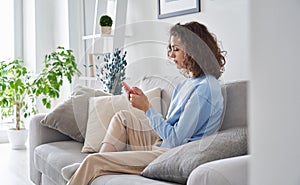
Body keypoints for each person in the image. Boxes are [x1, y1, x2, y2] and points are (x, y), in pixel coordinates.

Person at [66, 21, 226, 185]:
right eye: (170, 48)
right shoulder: (186, 83)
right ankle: (98, 162)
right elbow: (170, 126)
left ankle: (94, 165)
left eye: (176, 49)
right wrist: (144, 105)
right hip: (162, 144)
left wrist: (147, 108)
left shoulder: (205, 89)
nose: (171, 55)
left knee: (93, 162)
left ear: (194, 51)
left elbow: (177, 140)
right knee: (123, 118)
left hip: (171, 154)